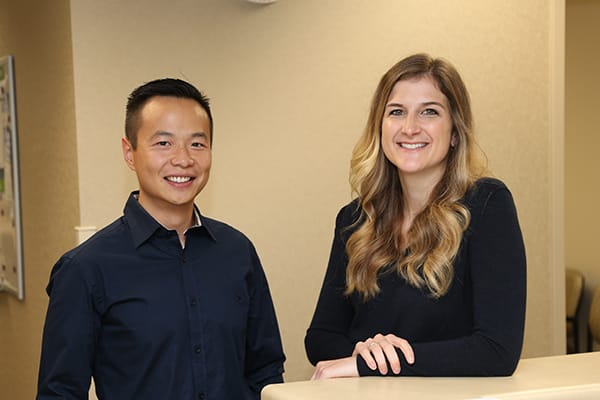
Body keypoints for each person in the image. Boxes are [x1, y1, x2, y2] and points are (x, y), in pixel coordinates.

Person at [37, 78, 285, 399]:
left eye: (197, 143)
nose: (183, 159)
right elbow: (60, 392)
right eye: (163, 143)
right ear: (130, 153)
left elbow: (265, 370)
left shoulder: (237, 252)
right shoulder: (85, 269)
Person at [305, 53, 526, 379]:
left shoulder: (487, 205)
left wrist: (375, 362)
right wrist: (367, 352)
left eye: (429, 112)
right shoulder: (354, 220)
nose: (410, 128)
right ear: (380, 129)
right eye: (396, 112)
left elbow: (497, 350)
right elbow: (321, 338)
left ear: (454, 132)